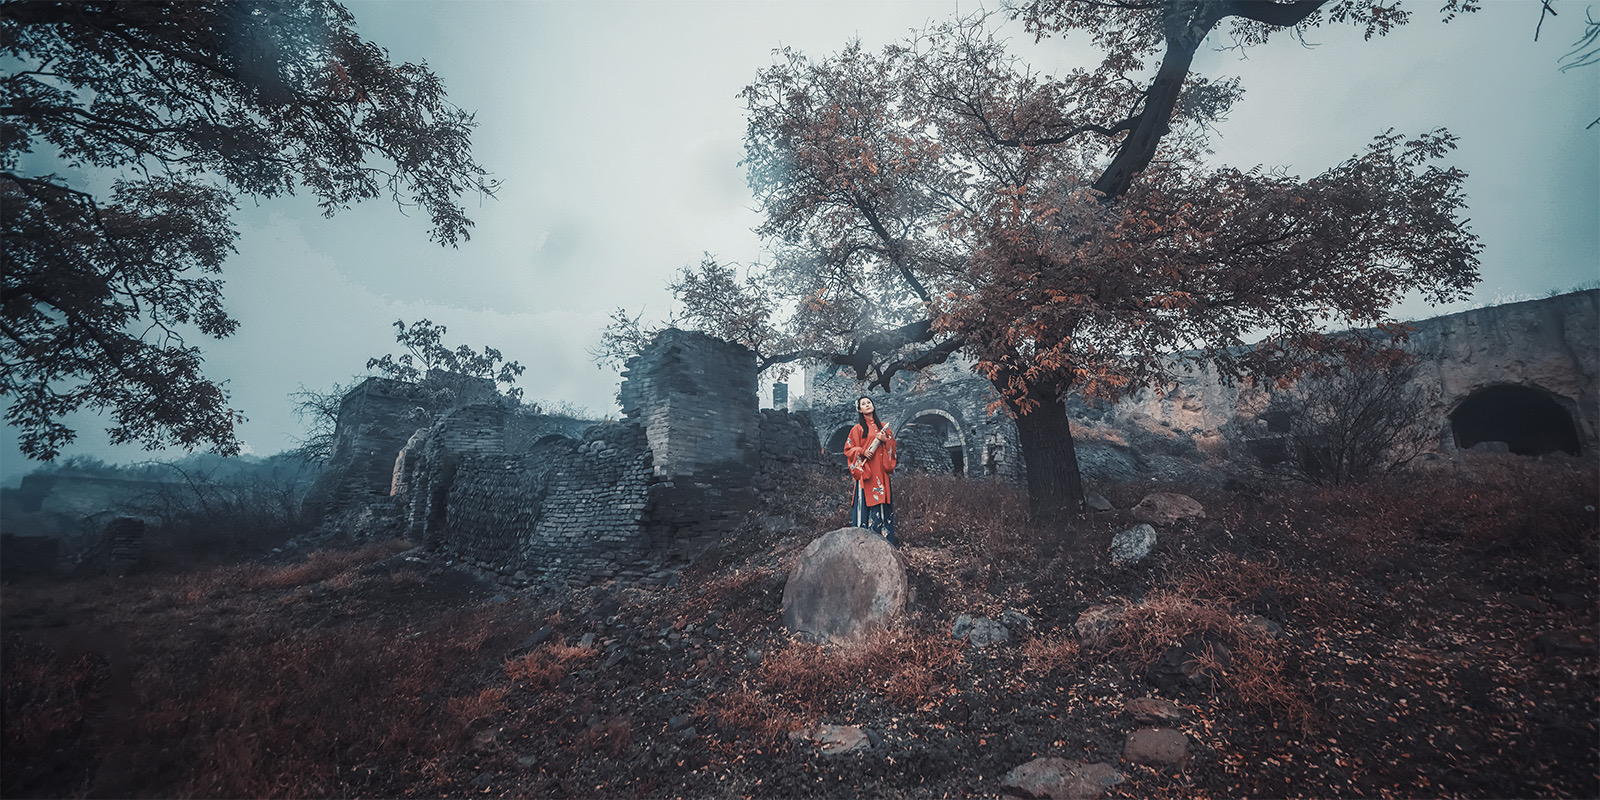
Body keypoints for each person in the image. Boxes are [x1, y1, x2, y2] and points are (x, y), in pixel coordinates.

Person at [845, 396, 897, 545]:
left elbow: (893, 449)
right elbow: (848, 449)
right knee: (864, 508)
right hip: (866, 474)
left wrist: (886, 441)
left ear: (873, 406)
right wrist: (862, 451)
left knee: (881, 508)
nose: (867, 405)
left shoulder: (884, 428)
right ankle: (862, 545)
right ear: (860, 410)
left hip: (880, 474)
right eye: (863, 404)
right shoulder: (857, 429)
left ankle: (883, 544)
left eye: (869, 402)